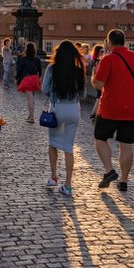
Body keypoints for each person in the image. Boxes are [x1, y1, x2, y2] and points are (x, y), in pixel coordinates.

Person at [91, 29, 134, 192]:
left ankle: (109, 170)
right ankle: (123, 180)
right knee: (126, 145)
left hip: (109, 108)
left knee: (100, 138)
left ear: (109, 42)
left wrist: (94, 76)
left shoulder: (108, 59)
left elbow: (98, 85)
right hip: (131, 109)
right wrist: (131, 94)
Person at [42, 41, 85, 196]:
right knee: (68, 147)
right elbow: (83, 94)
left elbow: (45, 89)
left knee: (53, 144)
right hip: (74, 109)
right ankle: (68, 185)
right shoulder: (79, 71)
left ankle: (54, 177)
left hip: (58, 108)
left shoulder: (52, 69)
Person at [15, 42, 42, 122]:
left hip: (27, 79)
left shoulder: (23, 59)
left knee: (29, 99)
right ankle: (30, 115)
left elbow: (19, 70)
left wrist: (16, 77)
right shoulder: (37, 58)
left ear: (26, 49)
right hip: (34, 78)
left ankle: (32, 118)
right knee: (32, 98)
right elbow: (40, 70)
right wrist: (39, 77)